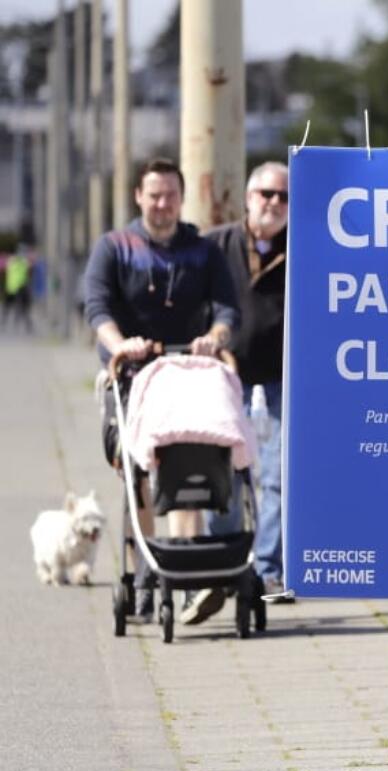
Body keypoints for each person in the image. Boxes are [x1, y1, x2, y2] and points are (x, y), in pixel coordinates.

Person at [83, 156, 239, 623]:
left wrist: (215, 338)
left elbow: (227, 311)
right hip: (133, 376)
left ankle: (186, 569)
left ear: (181, 198)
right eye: (154, 195)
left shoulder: (203, 250)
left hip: (188, 373)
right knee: (139, 477)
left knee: (189, 462)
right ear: (139, 197)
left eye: (171, 195)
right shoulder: (114, 247)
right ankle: (146, 571)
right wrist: (121, 345)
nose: (162, 204)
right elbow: (97, 311)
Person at [198, 162, 291, 621]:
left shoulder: (301, 248)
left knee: (276, 475)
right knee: (224, 470)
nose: (273, 203)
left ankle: (269, 568)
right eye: (265, 194)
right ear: (248, 197)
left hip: (280, 379)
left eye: (282, 196)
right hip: (227, 377)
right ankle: (224, 562)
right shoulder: (217, 244)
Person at [4, 245, 34, 333]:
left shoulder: (14, 261)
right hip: (15, 287)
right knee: (12, 306)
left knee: (20, 306)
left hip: (17, 287)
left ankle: (25, 323)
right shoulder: (17, 261)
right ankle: (21, 322)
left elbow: (29, 269)